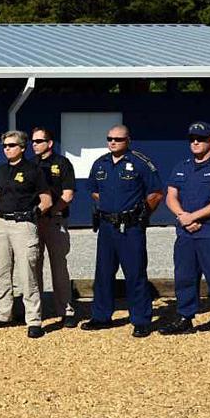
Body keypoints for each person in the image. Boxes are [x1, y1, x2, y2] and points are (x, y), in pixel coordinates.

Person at [162, 121, 210, 347]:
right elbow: (171, 196)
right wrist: (182, 216)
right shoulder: (182, 166)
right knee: (184, 278)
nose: (196, 142)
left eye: (201, 138)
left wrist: (193, 217)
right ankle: (185, 317)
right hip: (186, 233)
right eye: (192, 139)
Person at [83, 125, 164, 338]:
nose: (113, 142)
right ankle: (101, 316)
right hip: (107, 226)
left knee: (135, 273)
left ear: (128, 140)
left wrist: (141, 213)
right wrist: (109, 205)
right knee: (103, 273)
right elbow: (94, 190)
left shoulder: (140, 162)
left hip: (131, 227)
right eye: (110, 138)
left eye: (118, 139)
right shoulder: (100, 163)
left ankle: (141, 320)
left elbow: (156, 193)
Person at [0, 130, 52, 339]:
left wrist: (32, 214)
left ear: (23, 148)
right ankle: (4, 314)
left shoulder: (34, 171)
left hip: (23, 225)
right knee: (2, 271)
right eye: (5, 146)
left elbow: (46, 200)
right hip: (3, 224)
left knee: (27, 273)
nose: (7, 149)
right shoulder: (1, 170)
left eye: (12, 145)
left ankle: (34, 320)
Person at [31, 126, 78, 328]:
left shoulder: (62, 163)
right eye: (33, 141)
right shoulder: (30, 164)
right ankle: (36, 311)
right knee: (33, 266)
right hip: (34, 222)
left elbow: (68, 195)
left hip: (55, 220)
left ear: (49, 143)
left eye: (39, 141)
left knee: (59, 267)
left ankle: (66, 310)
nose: (34, 145)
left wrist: (51, 211)